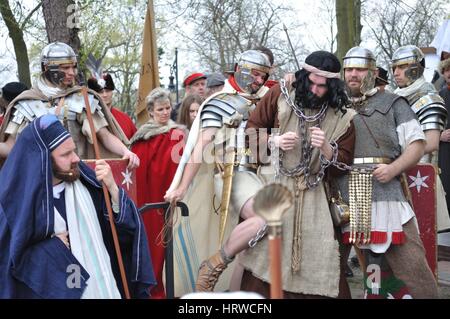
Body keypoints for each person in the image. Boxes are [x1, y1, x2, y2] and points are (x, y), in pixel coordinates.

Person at [238, 50, 356, 299]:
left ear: (332, 85)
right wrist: (274, 140)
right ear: (303, 76)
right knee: (265, 260)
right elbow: (250, 131)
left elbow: (344, 164)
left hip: (316, 197)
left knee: (320, 260)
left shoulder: (343, 116)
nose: (315, 89)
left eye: (322, 86)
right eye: (311, 82)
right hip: (277, 186)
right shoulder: (280, 95)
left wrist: (326, 148)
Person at [0, 114, 155, 298]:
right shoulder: (16, 203)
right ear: (43, 160)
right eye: (65, 154)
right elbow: (9, 263)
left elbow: (124, 235)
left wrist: (113, 189)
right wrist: (51, 249)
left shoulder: (89, 186)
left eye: (73, 150)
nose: (76, 159)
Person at [164, 49, 273, 296]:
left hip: (268, 174)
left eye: (262, 76)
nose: (258, 81)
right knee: (265, 216)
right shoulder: (221, 102)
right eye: (254, 74)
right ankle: (214, 264)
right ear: (241, 71)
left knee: (248, 251)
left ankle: (234, 295)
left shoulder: (270, 98)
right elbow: (200, 146)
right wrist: (181, 187)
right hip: (235, 175)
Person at [339, 46, 438, 298]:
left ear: (372, 72)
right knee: (355, 265)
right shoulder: (334, 104)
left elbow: (417, 144)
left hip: (386, 192)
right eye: (349, 69)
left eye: (359, 69)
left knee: (412, 263)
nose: (353, 74)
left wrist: (394, 168)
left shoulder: (393, 102)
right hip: (343, 197)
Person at [0, 42, 139, 169]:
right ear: (47, 67)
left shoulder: (82, 98)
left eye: (73, 67)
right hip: (39, 179)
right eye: (65, 67)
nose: (72, 73)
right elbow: (11, 147)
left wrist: (125, 151)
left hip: (76, 176)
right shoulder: (26, 103)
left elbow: (104, 136)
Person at [130, 88, 186, 299]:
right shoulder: (142, 136)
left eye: (168, 108)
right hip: (149, 200)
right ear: (151, 112)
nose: (165, 113)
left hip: (172, 197)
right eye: (160, 109)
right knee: (152, 243)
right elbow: (137, 171)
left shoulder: (178, 134)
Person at [391, 45, 450, 232]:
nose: (395, 73)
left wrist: (396, 157)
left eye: (401, 67)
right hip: (395, 173)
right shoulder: (396, 97)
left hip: (419, 175)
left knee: (421, 236)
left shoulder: (429, 98)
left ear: (415, 68)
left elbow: (431, 143)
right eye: (394, 68)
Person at [88, 73, 137, 140]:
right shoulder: (87, 119)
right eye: (100, 92)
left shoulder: (125, 119)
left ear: (112, 92)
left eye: (107, 91)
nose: (105, 95)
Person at [439, 53, 450, 220]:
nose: (448, 73)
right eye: (446, 70)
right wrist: (439, 135)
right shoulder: (440, 94)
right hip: (445, 150)